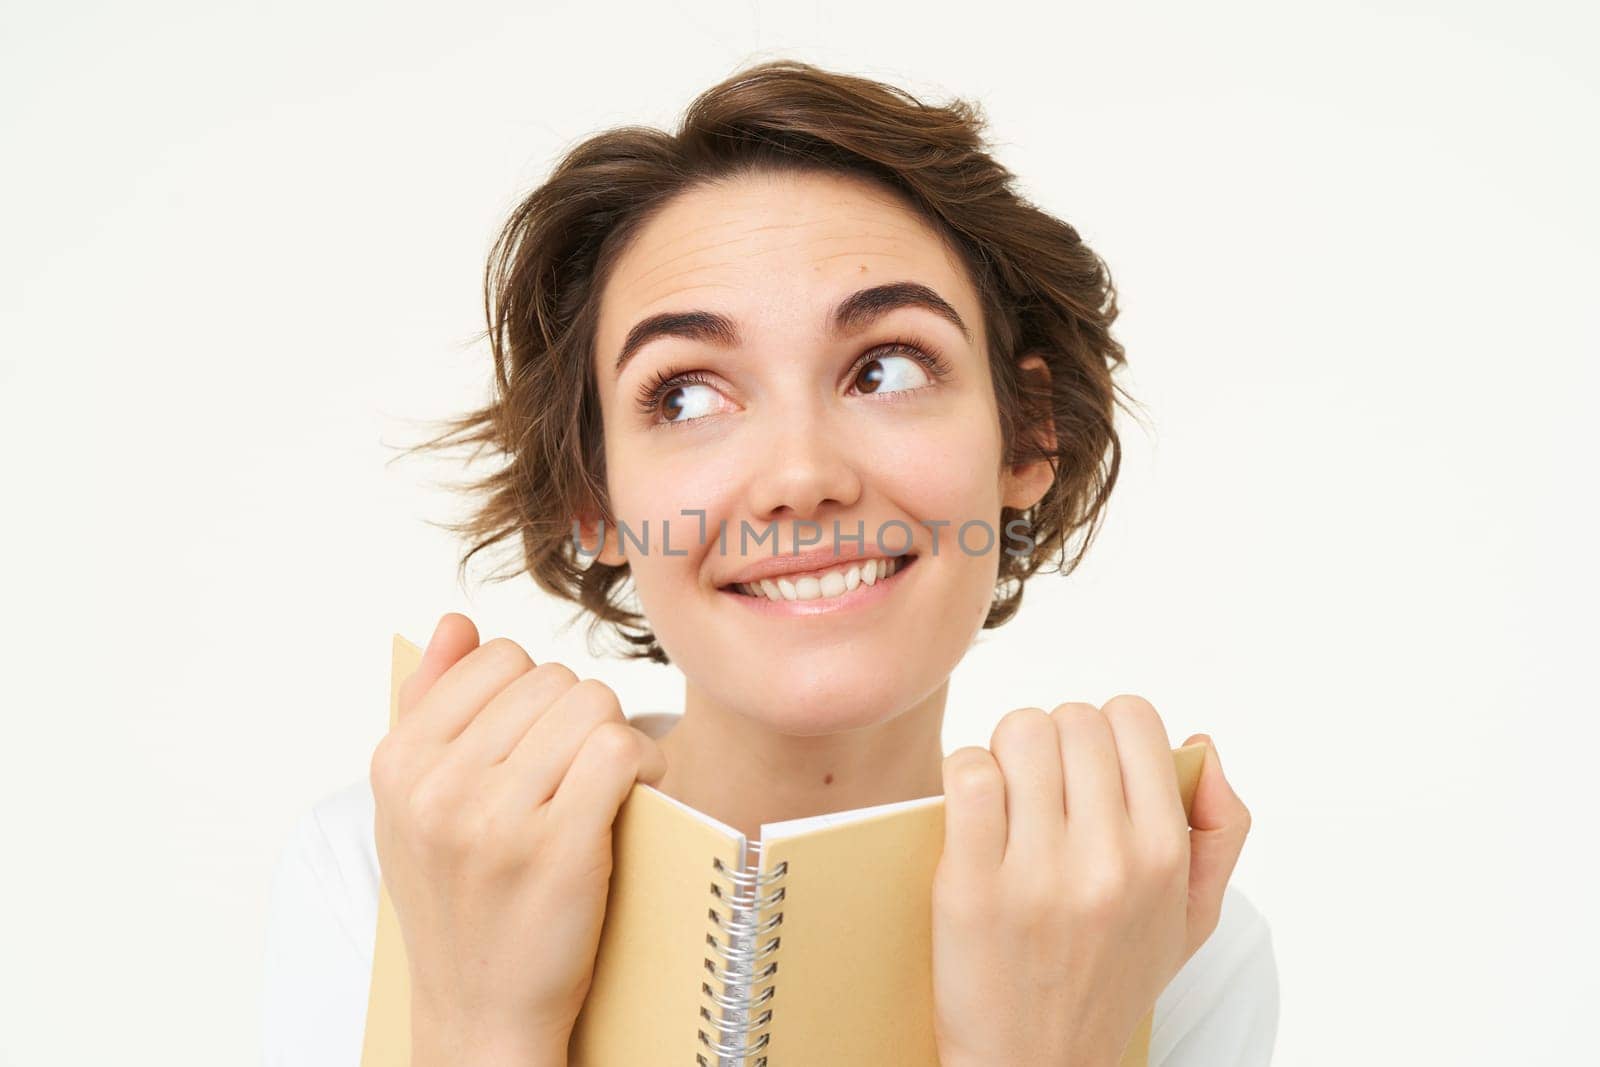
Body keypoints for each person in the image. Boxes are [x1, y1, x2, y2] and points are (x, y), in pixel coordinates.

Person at [261, 59, 1278, 1066]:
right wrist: (477, 1023)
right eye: (687, 396)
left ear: (1025, 438)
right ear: (592, 498)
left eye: (885, 369)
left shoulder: (1161, 929)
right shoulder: (395, 861)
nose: (801, 474)